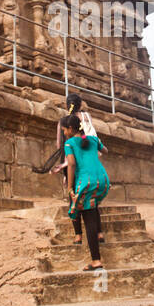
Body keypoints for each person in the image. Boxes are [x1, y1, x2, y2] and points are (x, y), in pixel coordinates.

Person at [62, 113, 110, 270]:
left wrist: (70, 187)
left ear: (70, 129)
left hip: (86, 183)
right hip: (102, 181)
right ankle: (99, 234)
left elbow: (71, 164)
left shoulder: (69, 143)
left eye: (64, 130)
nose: (63, 133)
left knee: (87, 219)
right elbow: (106, 150)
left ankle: (96, 261)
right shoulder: (93, 139)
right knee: (92, 207)